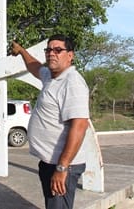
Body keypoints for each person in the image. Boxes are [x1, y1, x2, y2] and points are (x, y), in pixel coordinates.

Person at [11, 34, 90, 209]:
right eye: (48, 50)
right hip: (50, 163)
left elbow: (80, 126)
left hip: (62, 165)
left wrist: (62, 168)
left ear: (70, 55)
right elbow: (35, 67)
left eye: (58, 50)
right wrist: (22, 51)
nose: (51, 54)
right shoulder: (52, 77)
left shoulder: (72, 83)